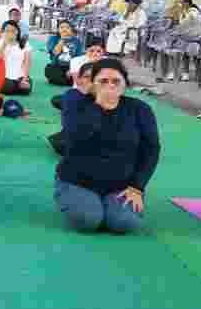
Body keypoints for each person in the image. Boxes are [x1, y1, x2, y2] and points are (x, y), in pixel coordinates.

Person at [55, 59, 160, 234]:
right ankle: (69, 194)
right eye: (103, 81)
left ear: (125, 83)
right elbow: (73, 139)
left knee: (124, 223)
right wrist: (100, 105)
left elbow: (151, 149)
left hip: (121, 185)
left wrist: (137, 187)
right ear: (93, 83)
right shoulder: (75, 102)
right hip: (77, 181)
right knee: (88, 220)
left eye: (116, 81)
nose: (110, 85)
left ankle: (107, 204)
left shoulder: (140, 109)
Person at [47, 61, 95, 155]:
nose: (90, 81)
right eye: (86, 77)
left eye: (94, 77)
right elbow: (69, 125)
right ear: (80, 79)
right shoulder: (72, 95)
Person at [0, 20, 31, 96]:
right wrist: (5, 43)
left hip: (20, 76)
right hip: (5, 76)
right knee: (9, 87)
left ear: (17, 31)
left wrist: (25, 78)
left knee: (26, 89)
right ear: (3, 32)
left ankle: (18, 85)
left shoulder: (24, 43)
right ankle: (14, 86)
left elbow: (27, 63)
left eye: (13, 30)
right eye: (7, 31)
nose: (10, 33)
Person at [44, 20, 84, 86]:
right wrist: (62, 40)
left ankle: (66, 79)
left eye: (67, 27)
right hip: (56, 66)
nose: (64, 29)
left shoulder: (77, 41)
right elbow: (55, 53)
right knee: (55, 75)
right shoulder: (53, 38)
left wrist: (71, 70)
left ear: (71, 29)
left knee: (76, 78)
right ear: (58, 29)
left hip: (71, 67)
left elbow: (79, 57)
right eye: (62, 27)